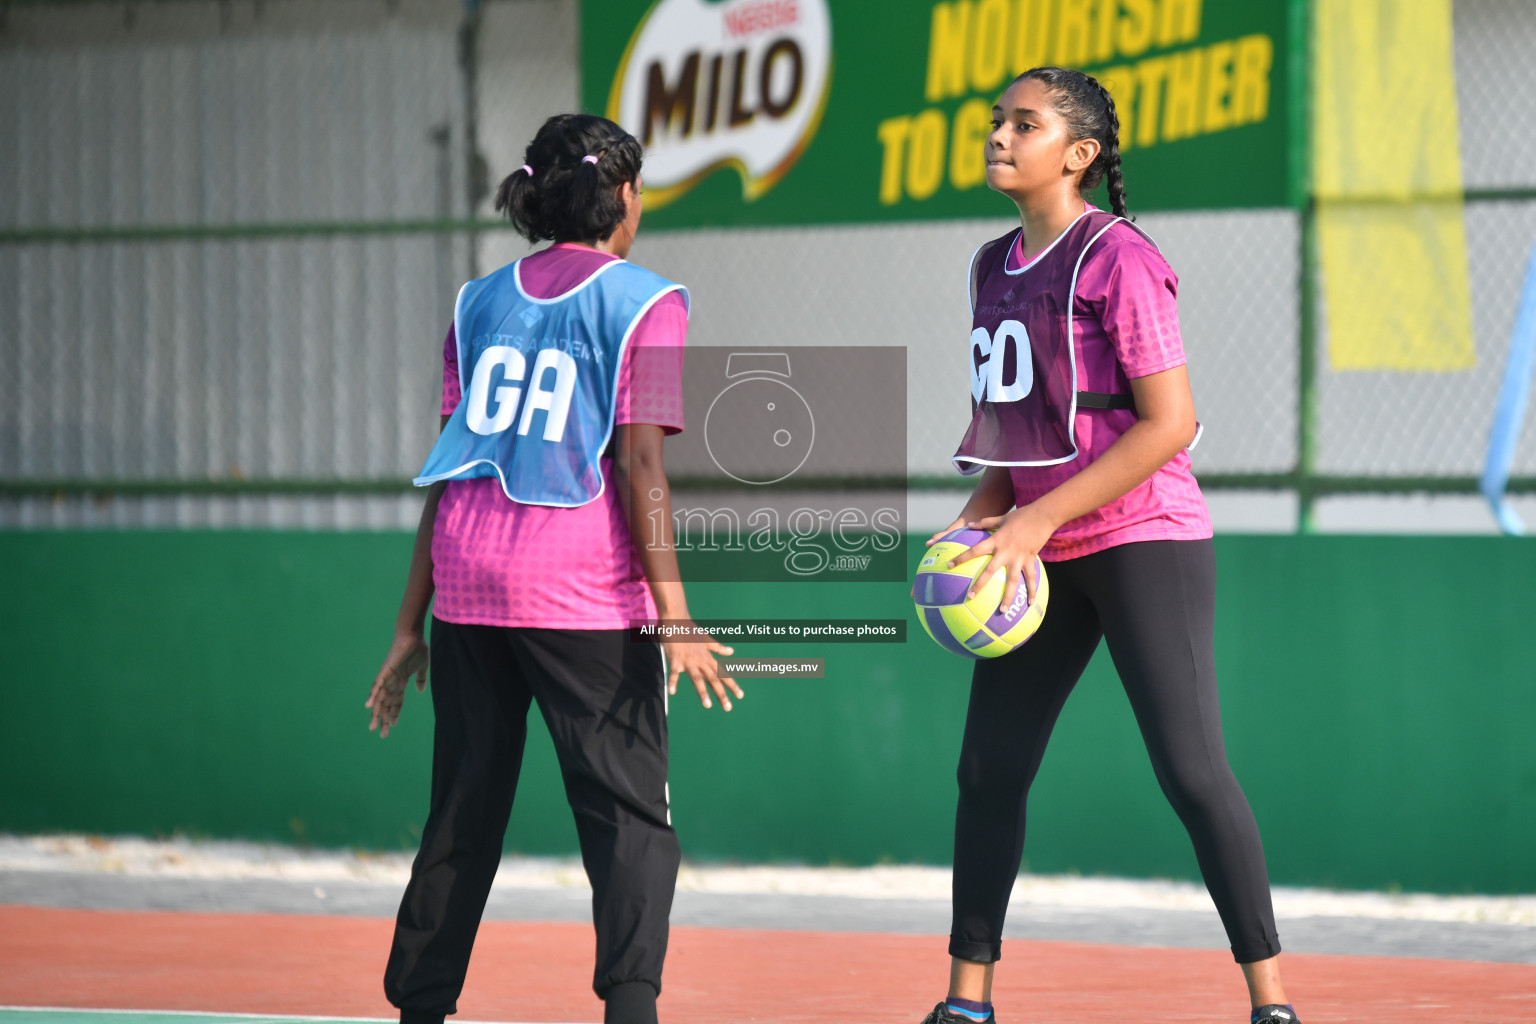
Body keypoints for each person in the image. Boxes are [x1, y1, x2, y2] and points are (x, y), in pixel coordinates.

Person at [918, 68, 1300, 1024]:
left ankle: (1272, 1001)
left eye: (1025, 123)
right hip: (1033, 548)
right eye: (997, 119)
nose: (1000, 134)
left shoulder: (1118, 257)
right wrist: (986, 513)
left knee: (1191, 770)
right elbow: (1019, 426)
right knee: (987, 770)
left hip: (1141, 537)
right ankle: (967, 1001)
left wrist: (1038, 519)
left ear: (1080, 153)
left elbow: (1169, 423)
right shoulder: (988, 265)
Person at [364, 113, 741, 1024]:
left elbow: (452, 463)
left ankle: (419, 1007)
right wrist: (678, 618)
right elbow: (641, 465)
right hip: (579, 597)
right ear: (621, 195)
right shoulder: (646, 300)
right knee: (628, 822)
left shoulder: (478, 300)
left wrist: (409, 625)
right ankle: (632, 1010)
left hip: (467, 586)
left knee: (462, 809)